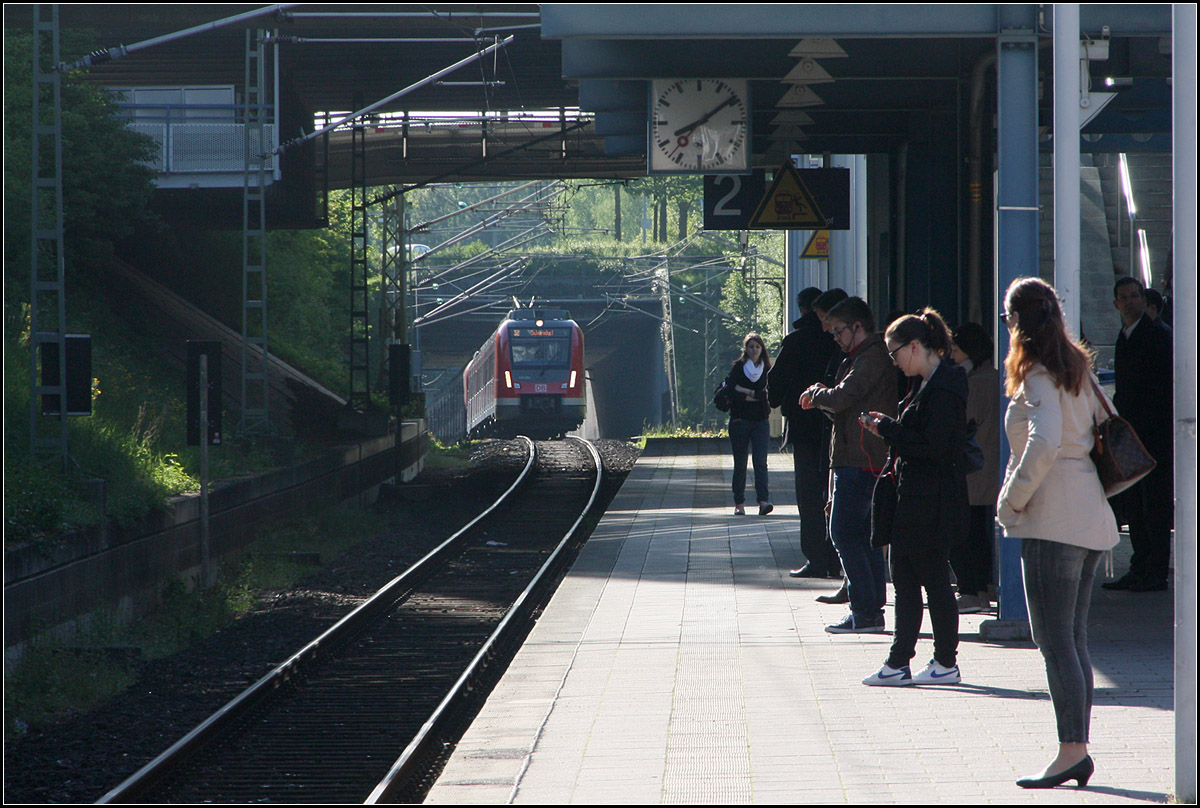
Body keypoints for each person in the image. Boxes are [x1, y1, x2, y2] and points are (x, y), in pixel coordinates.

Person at [996, 277, 1118, 789]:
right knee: (1074, 639)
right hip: (1090, 513)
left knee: (1053, 641)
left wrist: (1012, 499)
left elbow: (1043, 442)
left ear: (1017, 322)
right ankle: (1077, 749)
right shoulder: (1077, 369)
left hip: (1054, 517)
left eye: (1007, 319)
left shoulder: (1039, 375)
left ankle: (1071, 751)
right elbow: (1104, 424)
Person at [860, 308, 968, 685]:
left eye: (894, 353)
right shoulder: (927, 383)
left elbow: (932, 446)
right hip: (916, 495)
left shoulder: (946, 386)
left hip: (931, 499)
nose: (894, 362)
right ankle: (901, 662)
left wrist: (887, 430)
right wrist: (889, 427)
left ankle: (942, 661)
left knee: (931, 579)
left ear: (914, 347)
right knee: (905, 577)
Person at [800, 297, 897, 633]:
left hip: (861, 459)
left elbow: (842, 397)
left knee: (843, 533)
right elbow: (845, 405)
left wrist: (817, 394)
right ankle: (870, 611)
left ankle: (865, 612)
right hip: (860, 457)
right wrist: (823, 398)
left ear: (857, 326)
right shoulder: (862, 357)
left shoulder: (869, 358)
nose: (836, 338)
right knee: (862, 536)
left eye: (838, 331)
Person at [1103, 276, 1173, 592]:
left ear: (1143, 301)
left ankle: (1155, 571)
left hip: (1153, 437)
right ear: (1116, 303)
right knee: (1135, 503)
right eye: (1124, 297)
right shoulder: (1125, 336)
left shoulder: (1157, 337)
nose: (1130, 302)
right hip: (1131, 435)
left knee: (1154, 505)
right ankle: (1140, 565)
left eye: (1135, 296)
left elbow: (1161, 390)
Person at [770, 288, 840, 579]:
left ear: (801, 309)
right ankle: (837, 557)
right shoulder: (839, 342)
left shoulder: (796, 341)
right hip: (838, 427)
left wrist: (781, 400)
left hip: (804, 428)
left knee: (810, 496)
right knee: (835, 493)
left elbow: (775, 385)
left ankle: (816, 558)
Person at [949, 321, 1001, 613]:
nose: (951, 355)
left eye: (956, 350)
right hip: (986, 467)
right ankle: (983, 587)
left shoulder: (974, 383)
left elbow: (963, 422)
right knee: (980, 532)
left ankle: (970, 590)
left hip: (971, 468)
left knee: (964, 535)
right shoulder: (993, 378)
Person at [725, 333, 773, 516]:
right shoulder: (738, 368)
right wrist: (754, 395)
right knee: (740, 462)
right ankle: (739, 503)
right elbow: (731, 390)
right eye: (751, 347)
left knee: (760, 462)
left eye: (757, 347)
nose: (754, 350)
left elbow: (766, 395)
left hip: (761, 420)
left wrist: (745, 391)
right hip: (740, 420)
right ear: (746, 348)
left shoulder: (766, 369)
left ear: (762, 349)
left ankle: (763, 501)